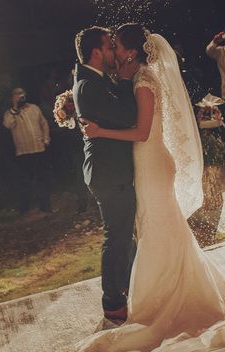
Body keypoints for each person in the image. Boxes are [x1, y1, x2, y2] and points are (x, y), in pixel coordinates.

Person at [78, 24, 225, 351]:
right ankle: (171, 287)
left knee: (157, 231)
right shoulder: (138, 77)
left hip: (152, 164)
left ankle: (164, 298)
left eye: (116, 45)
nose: (113, 50)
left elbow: (142, 133)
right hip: (149, 165)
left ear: (130, 51)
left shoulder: (144, 81)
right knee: (162, 229)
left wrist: (100, 131)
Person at [72, 26, 139, 325]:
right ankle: (112, 301)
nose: (114, 53)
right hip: (109, 174)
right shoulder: (89, 85)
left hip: (110, 172)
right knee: (117, 239)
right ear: (97, 52)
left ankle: (129, 287)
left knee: (124, 237)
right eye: (109, 48)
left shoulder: (92, 81)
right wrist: (125, 80)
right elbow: (127, 116)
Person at [2, 87, 52, 214]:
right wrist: (15, 108)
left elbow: (43, 123)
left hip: (39, 149)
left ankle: (45, 206)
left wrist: (46, 138)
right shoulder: (10, 113)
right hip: (23, 152)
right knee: (26, 181)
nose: (21, 96)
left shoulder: (34, 108)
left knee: (42, 178)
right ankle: (25, 209)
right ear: (13, 97)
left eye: (22, 94)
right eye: (17, 95)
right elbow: (8, 124)